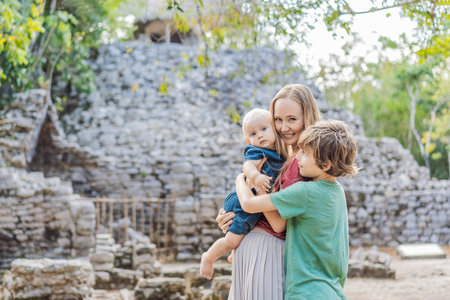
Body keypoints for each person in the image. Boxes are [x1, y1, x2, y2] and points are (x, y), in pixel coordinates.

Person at [217, 84, 320, 300]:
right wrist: (232, 212)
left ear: (307, 118)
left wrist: (242, 184)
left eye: (292, 119)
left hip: (266, 250)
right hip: (256, 248)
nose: (283, 128)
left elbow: (278, 223)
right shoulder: (281, 158)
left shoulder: (301, 164)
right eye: (278, 120)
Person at [235, 120, 359, 300]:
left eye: (305, 153)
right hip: (332, 290)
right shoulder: (337, 192)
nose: (298, 157)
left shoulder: (304, 192)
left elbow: (248, 204)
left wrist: (241, 178)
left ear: (325, 165)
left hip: (306, 291)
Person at [200, 108, 284, 280]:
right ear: (248, 140)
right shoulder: (257, 151)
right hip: (242, 201)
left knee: (242, 231)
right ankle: (208, 257)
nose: (259, 135)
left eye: (264, 129)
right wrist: (256, 176)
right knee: (232, 239)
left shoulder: (279, 154)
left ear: (274, 129)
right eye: (253, 133)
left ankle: (233, 252)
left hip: (252, 200)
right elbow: (247, 167)